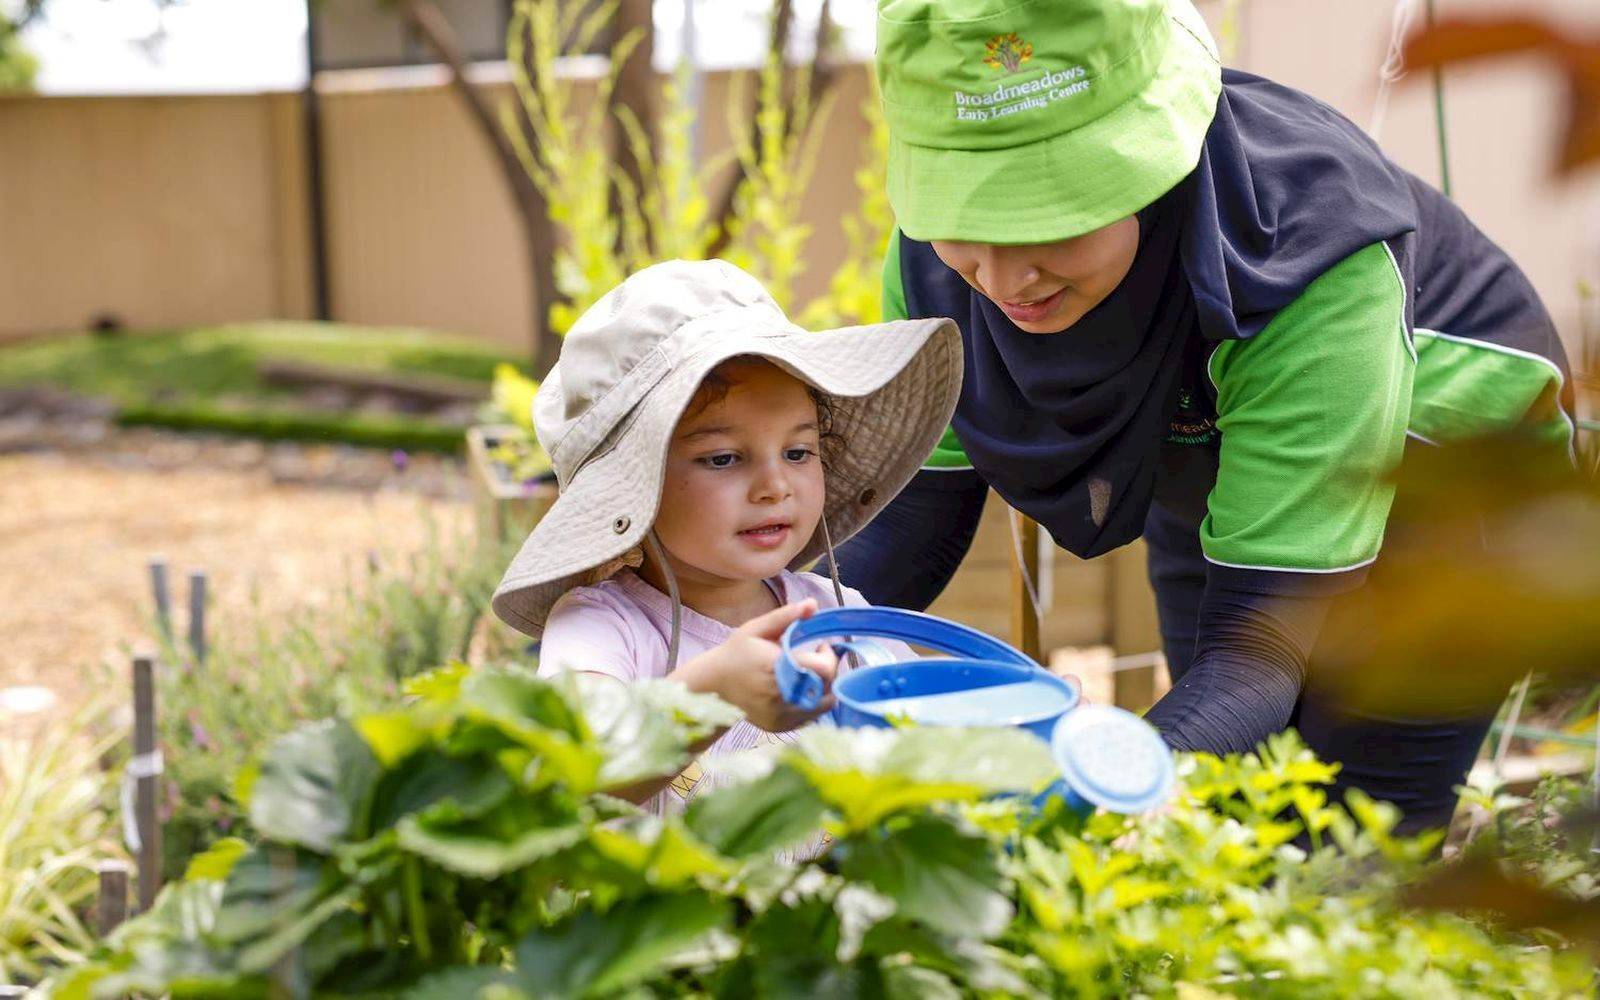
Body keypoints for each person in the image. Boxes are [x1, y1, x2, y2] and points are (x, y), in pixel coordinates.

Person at [838, 0, 1576, 832]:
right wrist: (759, 641)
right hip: (1219, 470)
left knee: (1352, 837)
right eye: (965, 220)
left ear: (1149, 164)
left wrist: (1081, 802)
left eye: (1050, 218)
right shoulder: (935, 266)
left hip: (1441, 491)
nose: (1004, 278)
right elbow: (914, 522)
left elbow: (1257, 647)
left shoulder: (1310, 270)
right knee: (1227, 816)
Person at [491, 259, 961, 813]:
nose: (774, 485)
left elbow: (929, 740)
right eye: (722, 458)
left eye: (797, 452)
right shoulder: (602, 627)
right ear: (635, 490)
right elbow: (577, 779)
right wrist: (712, 691)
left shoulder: (836, 613)